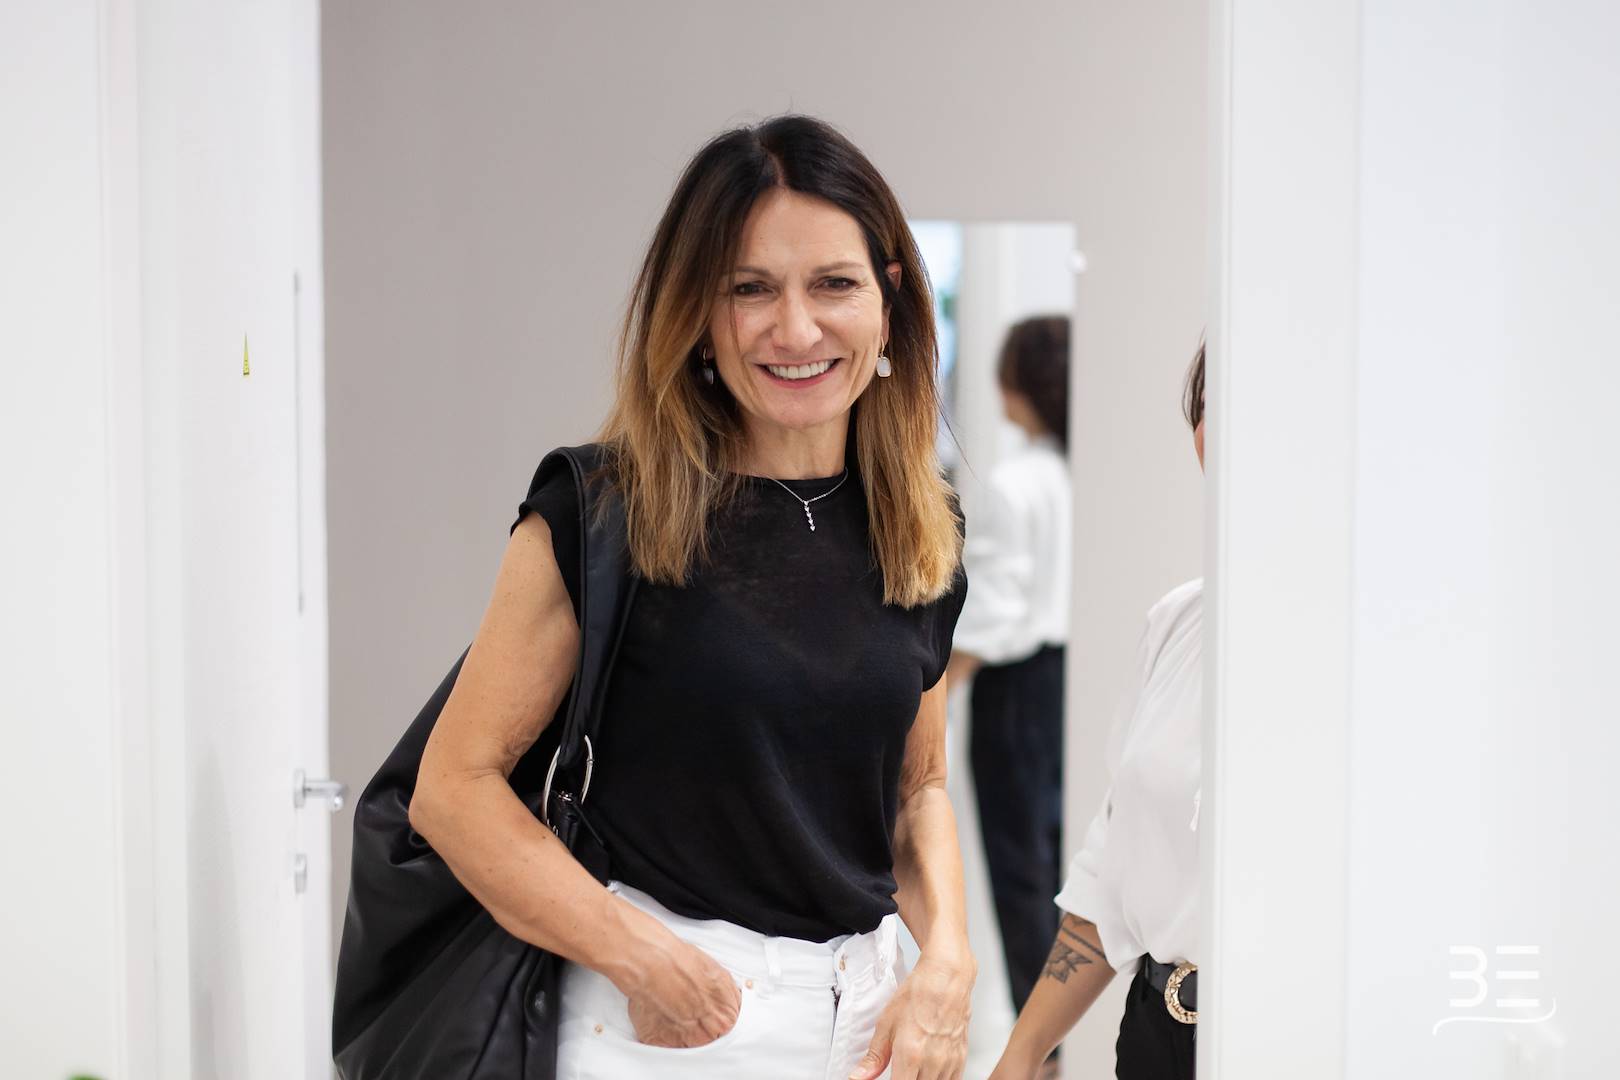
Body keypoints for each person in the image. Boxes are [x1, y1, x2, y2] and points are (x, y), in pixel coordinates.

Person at [406, 115, 974, 1080]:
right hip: (669, 1025)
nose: (796, 329)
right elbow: (453, 791)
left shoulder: (923, 525)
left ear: (889, 301)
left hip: (868, 1021)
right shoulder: (604, 509)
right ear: (698, 316)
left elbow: (916, 789)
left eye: (833, 284)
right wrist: (639, 956)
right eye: (750, 289)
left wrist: (949, 958)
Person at [988, 341, 1206, 1080]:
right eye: (1206, 407)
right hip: (1155, 1032)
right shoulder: (1177, 620)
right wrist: (1022, 1053)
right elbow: (1113, 862)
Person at [945, 316, 1073, 1018]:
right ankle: (1064, 1033)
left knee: (1018, 864)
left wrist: (937, 692)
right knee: (1063, 856)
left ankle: (1042, 1038)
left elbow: (994, 608)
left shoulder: (1016, 480)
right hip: (1070, 680)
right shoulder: (1083, 473)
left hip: (1014, 690)